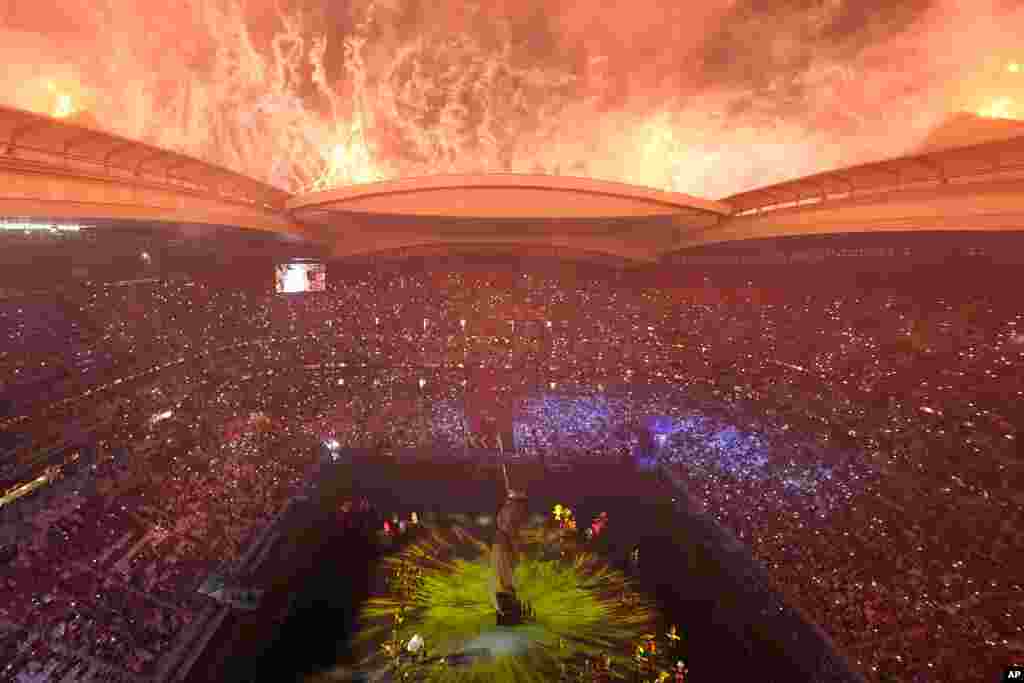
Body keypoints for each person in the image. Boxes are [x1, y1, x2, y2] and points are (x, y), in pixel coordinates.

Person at [492, 465, 529, 626]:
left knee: (505, 577)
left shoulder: (508, 510)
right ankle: (508, 609)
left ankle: (507, 606)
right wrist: (517, 550)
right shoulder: (511, 512)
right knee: (505, 578)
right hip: (503, 546)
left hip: (502, 545)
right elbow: (510, 530)